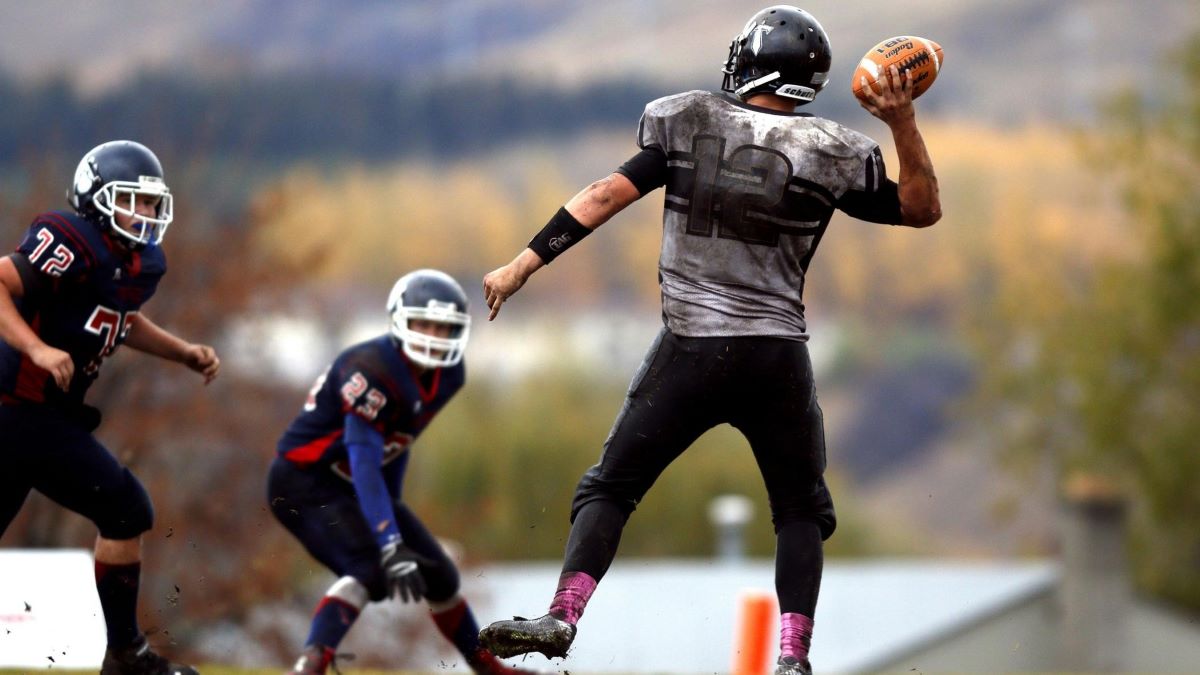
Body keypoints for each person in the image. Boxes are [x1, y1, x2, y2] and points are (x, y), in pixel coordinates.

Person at [477, 5, 941, 674]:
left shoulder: (690, 119)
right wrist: (903, 123)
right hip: (776, 354)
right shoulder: (831, 149)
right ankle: (792, 658)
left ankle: (563, 614)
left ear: (757, 62)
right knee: (800, 510)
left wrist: (525, 261)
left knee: (610, 487)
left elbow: (607, 192)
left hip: (692, 345)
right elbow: (923, 209)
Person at [0, 140, 220, 675]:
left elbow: (118, 318)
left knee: (124, 510)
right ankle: (126, 657)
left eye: (150, 204)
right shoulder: (73, 240)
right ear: (96, 200)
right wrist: (36, 347)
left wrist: (182, 353)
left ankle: (125, 655)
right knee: (126, 508)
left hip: (41, 416)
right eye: (132, 201)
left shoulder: (140, 263)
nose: (144, 213)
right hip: (15, 408)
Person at [269, 269, 538, 675]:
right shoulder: (370, 369)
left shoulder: (449, 375)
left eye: (443, 327)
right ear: (399, 320)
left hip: (361, 485)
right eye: (423, 323)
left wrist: (391, 511)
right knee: (370, 571)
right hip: (304, 483)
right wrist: (390, 540)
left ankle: (488, 669)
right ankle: (312, 663)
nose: (432, 335)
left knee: (442, 577)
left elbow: (398, 442)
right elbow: (363, 457)